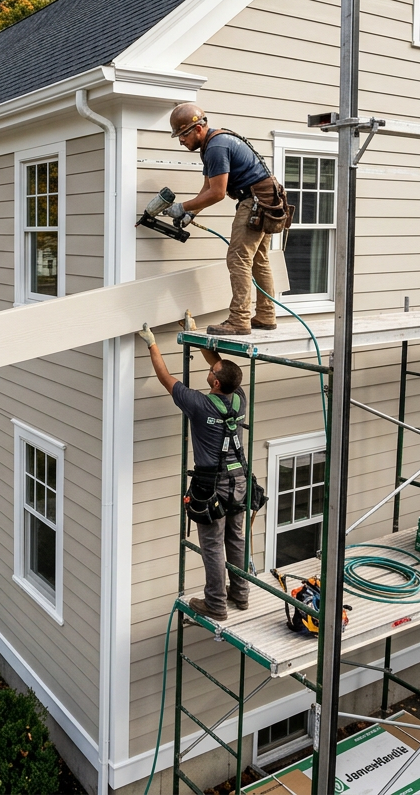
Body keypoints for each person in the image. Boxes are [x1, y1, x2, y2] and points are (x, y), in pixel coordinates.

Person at [138, 322, 250, 621]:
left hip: (211, 485)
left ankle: (216, 603)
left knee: (212, 545)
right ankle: (240, 593)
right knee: (236, 538)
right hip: (239, 480)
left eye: (213, 372)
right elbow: (219, 364)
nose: (211, 370)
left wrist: (152, 343)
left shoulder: (199, 405)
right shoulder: (239, 397)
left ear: (214, 384)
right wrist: (198, 335)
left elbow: (165, 378)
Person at [165, 102, 280, 336]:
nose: (180, 140)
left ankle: (239, 319)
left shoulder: (216, 146)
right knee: (259, 259)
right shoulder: (212, 144)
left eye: (183, 135)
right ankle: (266, 315)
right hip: (267, 198)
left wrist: (180, 207)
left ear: (197, 129)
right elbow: (207, 188)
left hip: (256, 201)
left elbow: (217, 193)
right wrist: (191, 213)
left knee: (238, 258)